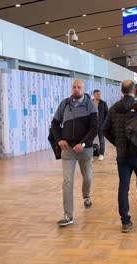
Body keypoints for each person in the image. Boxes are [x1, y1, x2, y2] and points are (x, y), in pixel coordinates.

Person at [102, 80, 137, 233]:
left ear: (121, 91)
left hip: (122, 155)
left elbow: (104, 129)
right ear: (134, 91)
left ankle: (125, 221)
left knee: (123, 187)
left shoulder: (113, 108)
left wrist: (117, 143)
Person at [51, 79, 98, 227]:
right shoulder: (65, 104)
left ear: (84, 89)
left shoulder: (90, 105)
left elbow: (94, 128)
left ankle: (86, 196)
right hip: (68, 150)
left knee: (88, 177)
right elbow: (54, 123)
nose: (76, 89)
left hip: (85, 149)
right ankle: (68, 215)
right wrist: (59, 139)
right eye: (74, 87)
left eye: (79, 87)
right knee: (67, 181)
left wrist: (82, 143)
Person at [93, 89, 109, 161]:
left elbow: (107, 114)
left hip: (101, 124)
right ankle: (91, 154)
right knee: (90, 140)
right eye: (97, 94)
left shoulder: (103, 103)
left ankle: (101, 154)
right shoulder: (90, 102)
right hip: (92, 125)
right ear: (94, 94)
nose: (99, 95)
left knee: (101, 139)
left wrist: (105, 124)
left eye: (100, 94)